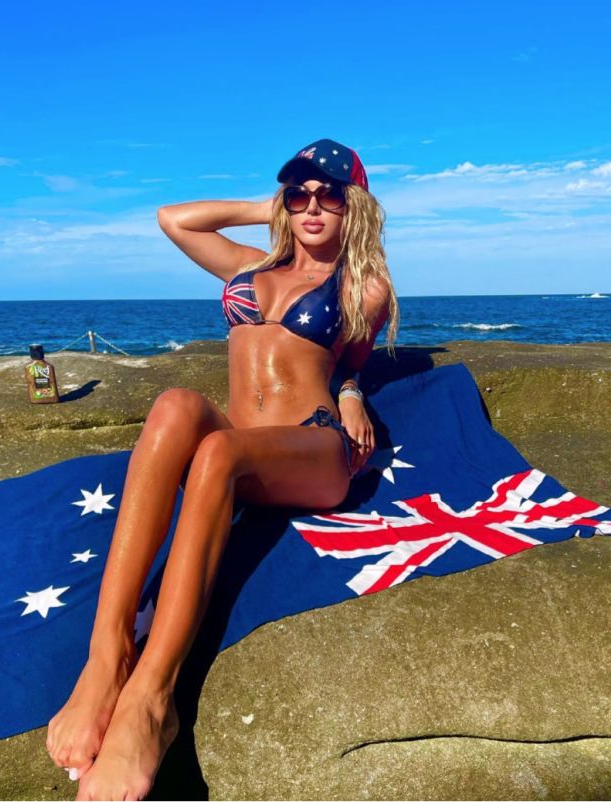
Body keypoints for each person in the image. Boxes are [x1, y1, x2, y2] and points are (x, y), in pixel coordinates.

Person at [46, 138, 400, 801]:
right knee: (176, 405)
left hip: (312, 447)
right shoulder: (248, 264)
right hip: (240, 443)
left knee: (218, 454)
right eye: (299, 194)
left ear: (355, 206)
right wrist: (269, 208)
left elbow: (352, 361)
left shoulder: (362, 285)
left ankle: (152, 700)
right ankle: (107, 656)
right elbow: (174, 219)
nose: (312, 206)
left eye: (329, 195)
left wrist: (352, 395)